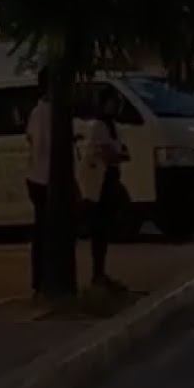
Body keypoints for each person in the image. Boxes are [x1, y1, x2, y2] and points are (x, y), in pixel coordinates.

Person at [82, 87, 130, 289]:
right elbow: (108, 153)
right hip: (99, 182)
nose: (115, 106)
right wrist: (117, 155)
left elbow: (119, 152)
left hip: (110, 178)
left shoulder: (112, 126)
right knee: (99, 229)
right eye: (112, 102)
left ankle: (100, 273)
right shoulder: (98, 126)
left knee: (105, 229)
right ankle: (97, 274)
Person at [25, 67, 52, 297]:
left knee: (45, 229)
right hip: (42, 177)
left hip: (40, 175)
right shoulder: (42, 112)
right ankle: (41, 279)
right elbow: (38, 144)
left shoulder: (45, 111)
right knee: (44, 230)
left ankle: (43, 278)